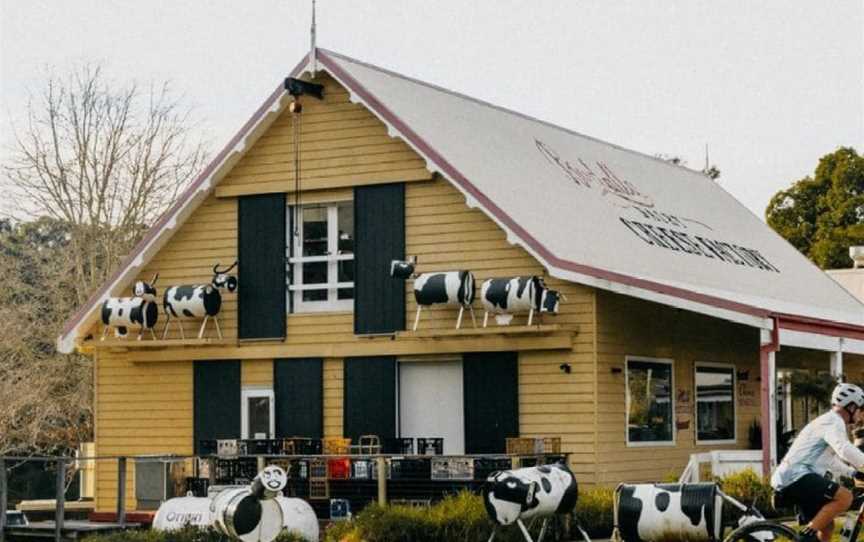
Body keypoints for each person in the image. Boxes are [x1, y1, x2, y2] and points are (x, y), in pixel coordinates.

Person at [771, 382, 864, 542]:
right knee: (845, 497)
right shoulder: (833, 422)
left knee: (827, 527)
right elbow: (844, 449)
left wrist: (853, 473)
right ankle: (804, 538)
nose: (861, 414)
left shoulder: (829, 421)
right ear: (851, 406)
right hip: (794, 476)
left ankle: (809, 536)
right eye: (861, 409)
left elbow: (827, 460)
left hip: (792, 476)